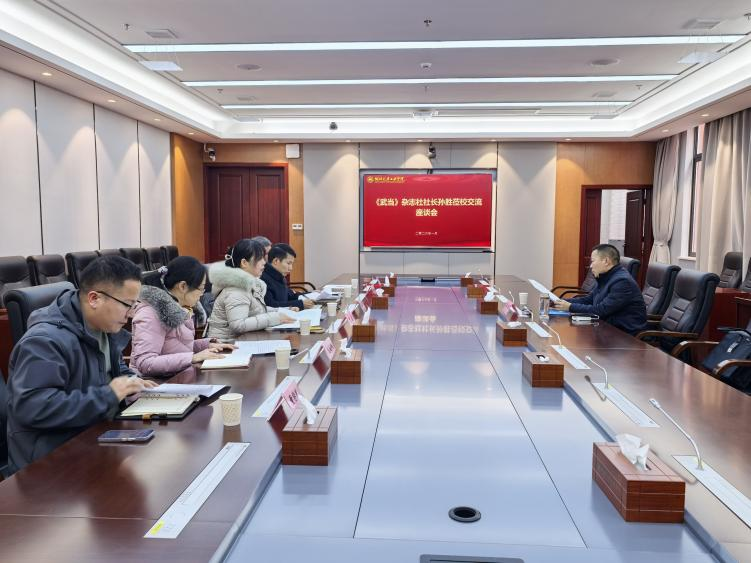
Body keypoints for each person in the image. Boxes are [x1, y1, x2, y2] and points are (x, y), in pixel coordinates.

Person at [6, 256, 157, 472]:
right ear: (94, 298)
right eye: (127, 305)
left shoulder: (105, 326)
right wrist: (109, 394)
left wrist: (133, 382)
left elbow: (111, 369)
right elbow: (33, 407)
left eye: (135, 305)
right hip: (52, 462)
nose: (131, 314)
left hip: (97, 436)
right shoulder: (44, 342)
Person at [130, 256, 235, 376]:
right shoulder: (151, 313)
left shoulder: (181, 308)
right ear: (183, 286)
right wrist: (193, 357)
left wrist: (206, 345)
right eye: (201, 289)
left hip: (175, 377)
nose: (201, 294)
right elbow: (145, 363)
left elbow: (178, 346)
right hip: (152, 382)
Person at [207, 239, 294, 340]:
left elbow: (257, 310)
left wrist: (283, 310)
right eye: (259, 258)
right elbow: (238, 325)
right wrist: (275, 318)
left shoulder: (249, 284)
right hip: (225, 344)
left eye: (263, 258)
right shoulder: (235, 289)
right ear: (244, 263)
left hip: (241, 341)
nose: (264, 262)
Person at [552, 244, 647, 335]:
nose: (591, 266)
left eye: (593, 261)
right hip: (607, 328)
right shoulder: (606, 277)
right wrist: (557, 302)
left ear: (606, 261)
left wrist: (570, 306)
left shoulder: (622, 282)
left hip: (624, 335)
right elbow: (589, 300)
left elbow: (601, 310)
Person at [261, 243, 314, 310]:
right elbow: (271, 306)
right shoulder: (263, 278)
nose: (291, 268)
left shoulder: (279, 276)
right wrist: (300, 304)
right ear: (276, 261)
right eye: (288, 263)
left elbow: (290, 296)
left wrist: (313, 294)